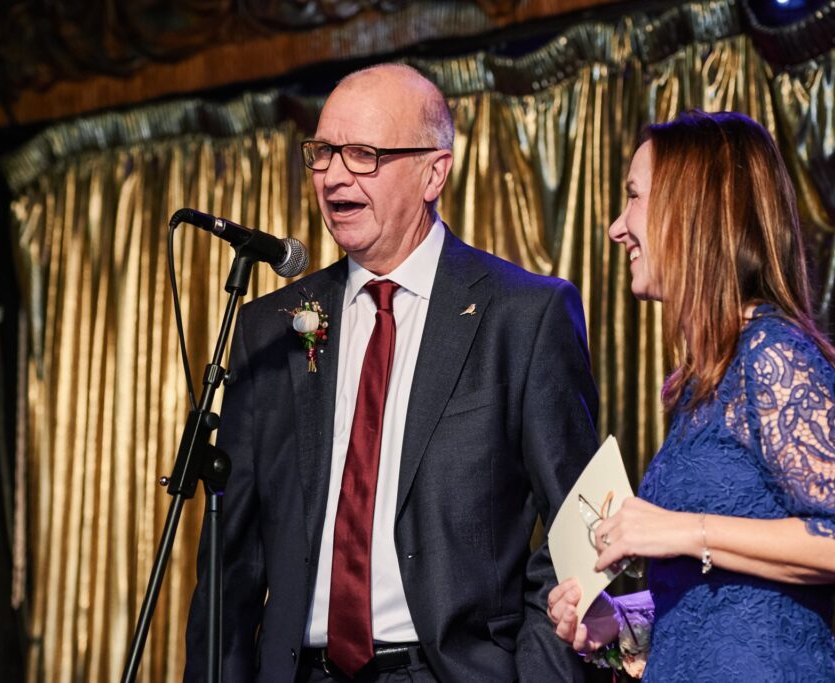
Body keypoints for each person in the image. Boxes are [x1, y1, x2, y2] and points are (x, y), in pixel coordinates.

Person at [184, 64, 601, 682]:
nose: (332, 176)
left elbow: (577, 527)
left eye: (363, 154)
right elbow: (232, 562)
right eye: (322, 152)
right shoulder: (270, 329)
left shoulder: (523, 315)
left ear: (434, 171)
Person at [547, 110, 835, 681]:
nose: (616, 226)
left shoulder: (773, 354)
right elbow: (723, 603)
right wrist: (619, 621)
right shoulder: (703, 383)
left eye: (634, 197)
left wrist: (679, 528)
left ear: (693, 211)